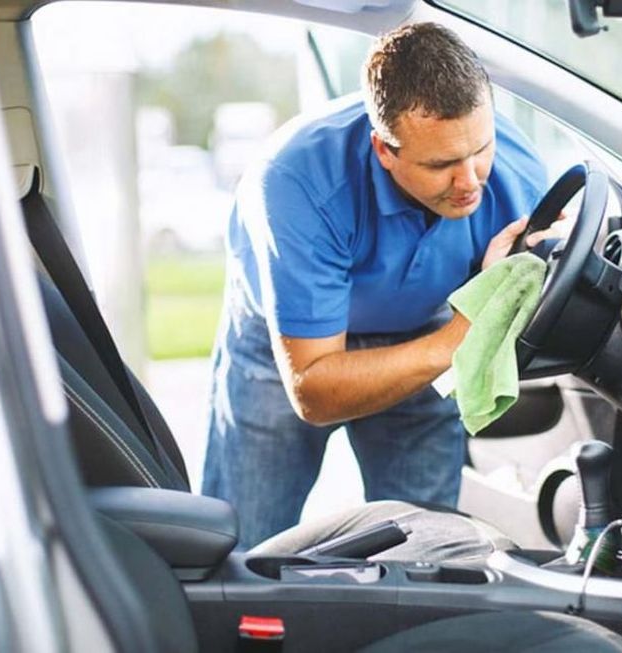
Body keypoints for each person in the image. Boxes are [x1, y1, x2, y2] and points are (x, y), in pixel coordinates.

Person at [202, 22, 549, 549]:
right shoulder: (297, 182)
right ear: (384, 150)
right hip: (288, 348)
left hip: (425, 325)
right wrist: (462, 337)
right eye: (440, 164)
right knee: (242, 549)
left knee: (426, 551)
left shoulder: (519, 175)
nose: (469, 181)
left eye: (480, 148)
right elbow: (314, 390)